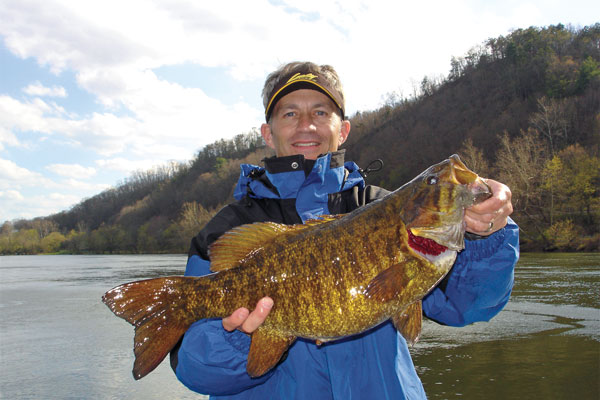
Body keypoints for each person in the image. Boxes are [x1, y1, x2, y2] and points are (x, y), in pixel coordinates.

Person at [170, 61, 519, 399]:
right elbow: (195, 370)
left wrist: (485, 233)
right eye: (290, 113)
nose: (306, 125)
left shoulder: (379, 207)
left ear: (343, 129)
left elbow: (470, 307)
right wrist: (240, 335)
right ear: (268, 133)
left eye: (321, 112)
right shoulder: (229, 229)